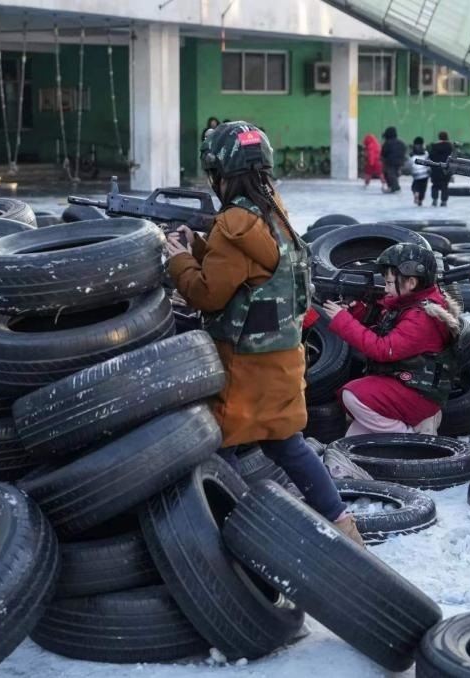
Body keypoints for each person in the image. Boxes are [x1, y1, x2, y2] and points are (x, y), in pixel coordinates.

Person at [165, 120, 364, 546]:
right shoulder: (274, 215)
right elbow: (249, 269)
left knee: (219, 450)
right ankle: (343, 524)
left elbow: (208, 294)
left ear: (221, 173)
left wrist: (178, 259)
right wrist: (199, 246)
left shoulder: (232, 224)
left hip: (242, 365)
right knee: (286, 443)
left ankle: (234, 533)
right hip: (285, 358)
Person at [319, 244, 460, 437]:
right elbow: (384, 323)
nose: (385, 289)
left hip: (419, 393)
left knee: (352, 395)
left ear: (411, 282)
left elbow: (384, 349)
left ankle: (410, 440)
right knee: (354, 436)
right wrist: (357, 311)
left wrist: (342, 321)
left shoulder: (421, 317)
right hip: (408, 385)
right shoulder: (409, 305)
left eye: (389, 283)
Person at [428, 131, 454, 207]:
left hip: (436, 168)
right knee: (445, 186)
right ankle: (444, 201)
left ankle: (434, 199)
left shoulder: (435, 146)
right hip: (446, 168)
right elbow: (453, 158)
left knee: (435, 185)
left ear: (439, 137)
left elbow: (431, 157)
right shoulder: (450, 146)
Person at [380, 126, 407, 194]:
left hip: (390, 161)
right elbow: (404, 151)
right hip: (400, 161)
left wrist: (382, 159)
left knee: (390, 174)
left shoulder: (387, 143)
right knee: (394, 174)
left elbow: (383, 153)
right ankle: (393, 187)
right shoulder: (401, 142)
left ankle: (395, 188)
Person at [409, 136, 430, 206]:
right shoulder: (426, 153)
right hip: (425, 173)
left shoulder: (412, 154)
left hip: (416, 173)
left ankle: (416, 193)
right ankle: (420, 200)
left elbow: (410, 163)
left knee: (415, 186)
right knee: (423, 188)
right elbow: (428, 162)